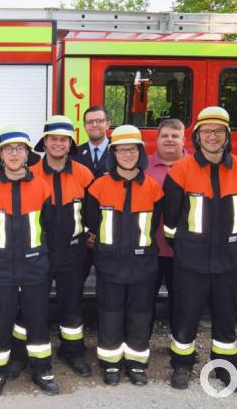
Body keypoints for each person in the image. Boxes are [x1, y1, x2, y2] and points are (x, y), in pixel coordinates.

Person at [163, 107, 237, 390]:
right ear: (197, 137)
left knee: (225, 316)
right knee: (186, 316)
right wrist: (186, 248)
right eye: (206, 131)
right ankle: (181, 366)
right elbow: (170, 220)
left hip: (228, 259)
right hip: (192, 260)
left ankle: (226, 367)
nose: (212, 136)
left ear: (227, 135)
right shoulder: (180, 171)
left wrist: (232, 245)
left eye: (217, 131)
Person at [0, 126, 58, 397]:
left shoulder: (43, 188)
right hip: (1, 268)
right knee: (0, 320)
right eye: (8, 149)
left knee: (36, 319)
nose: (14, 154)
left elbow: (49, 225)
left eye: (20, 149)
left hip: (35, 266)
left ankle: (42, 370)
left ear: (27, 154)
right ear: (0, 155)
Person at [84, 125, 164, 386]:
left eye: (132, 149)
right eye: (121, 149)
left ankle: (137, 364)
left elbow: (153, 227)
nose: (127, 154)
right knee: (109, 314)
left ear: (140, 152)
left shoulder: (154, 189)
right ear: (113, 153)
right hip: (109, 264)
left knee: (140, 315)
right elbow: (91, 222)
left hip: (143, 264)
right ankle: (110, 364)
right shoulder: (97, 188)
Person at [29, 115, 94, 377]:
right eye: (53, 139)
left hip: (72, 252)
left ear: (70, 143)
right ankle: (31, 355)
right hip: (38, 253)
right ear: (44, 142)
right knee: (34, 307)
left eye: (63, 139)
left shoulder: (84, 174)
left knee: (72, 305)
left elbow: (93, 214)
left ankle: (73, 351)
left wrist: (90, 235)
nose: (57, 143)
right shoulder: (30, 174)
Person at [144, 118, 186, 332]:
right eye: (165, 136)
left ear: (184, 139)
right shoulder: (143, 166)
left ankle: (181, 346)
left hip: (185, 250)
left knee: (182, 303)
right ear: (157, 139)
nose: (169, 140)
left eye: (175, 135)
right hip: (151, 248)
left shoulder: (196, 166)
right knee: (145, 301)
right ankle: (141, 343)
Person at [72, 106, 112, 179]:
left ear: (108, 124)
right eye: (89, 122)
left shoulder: (118, 150)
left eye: (99, 121)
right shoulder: (75, 153)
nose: (94, 125)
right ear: (84, 126)